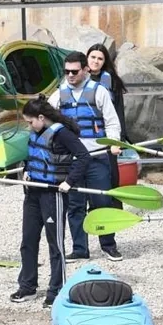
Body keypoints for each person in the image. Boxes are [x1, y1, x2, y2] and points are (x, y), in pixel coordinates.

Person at [11, 96, 91, 307]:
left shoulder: (62, 134)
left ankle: (56, 290)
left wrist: (69, 181)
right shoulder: (35, 133)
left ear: (41, 117)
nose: (29, 126)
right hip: (33, 192)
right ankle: (27, 286)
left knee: (55, 243)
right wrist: (27, 169)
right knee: (28, 240)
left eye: (30, 122)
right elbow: (34, 155)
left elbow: (84, 157)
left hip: (53, 194)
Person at [48, 51, 124, 261]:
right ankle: (80, 248)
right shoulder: (58, 95)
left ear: (85, 70)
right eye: (67, 72)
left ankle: (108, 245)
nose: (70, 75)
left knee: (102, 202)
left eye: (74, 71)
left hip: (97, 157)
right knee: (75, 206)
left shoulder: (99, 92)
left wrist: (114, 142)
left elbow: (112, 122)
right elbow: (47, 125)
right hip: (72, 161)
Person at [86, 43, 129, 191]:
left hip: (108, 134)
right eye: (93, 57)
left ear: (104, 62)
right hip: (86, 136)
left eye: (100, 58)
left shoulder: (112, 81)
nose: (95, 61)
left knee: (111, 175)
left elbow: (119, 111)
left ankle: (113, 203)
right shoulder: (78, 79)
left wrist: (119, 139)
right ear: (87, 58)